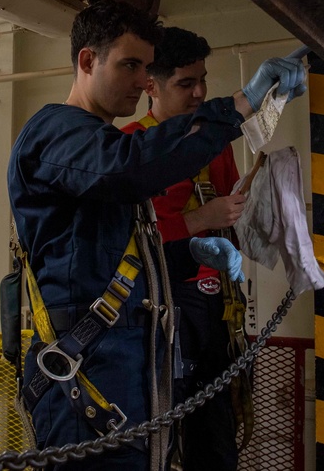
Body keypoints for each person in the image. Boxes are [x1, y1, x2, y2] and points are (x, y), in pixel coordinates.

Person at [7, 0, 306, 471]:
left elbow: (112, 257)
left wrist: (187, 253)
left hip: (128, 365)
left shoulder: (101, 148)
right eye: (130, 65)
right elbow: (129, 167)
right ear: (88, 61)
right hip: (84, 374)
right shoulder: (56, 134)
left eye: (146, 67)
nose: (142, 81)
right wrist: (241, 106)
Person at [122, 27, 245, 470]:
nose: (199, 93)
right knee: (155, 433)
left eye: (203, 80)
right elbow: (131, 239)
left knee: (215, 436)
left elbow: (236, 211)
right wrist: (199, 221)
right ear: (151, 86)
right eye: (185, 83)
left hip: (215, 310)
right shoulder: (131, 147)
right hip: (160, 312)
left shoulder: (214, 145)